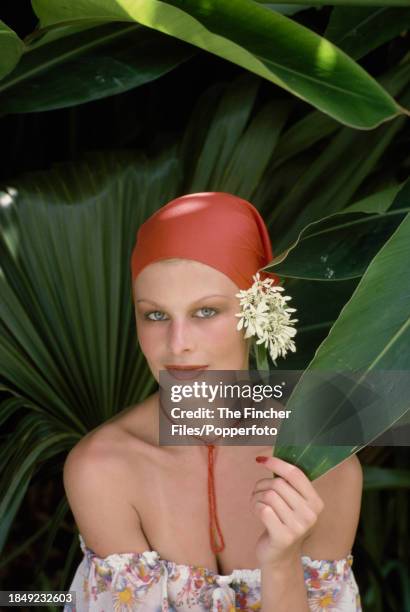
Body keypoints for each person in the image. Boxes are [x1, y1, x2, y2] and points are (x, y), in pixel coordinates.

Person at [63, 192, 363, 611]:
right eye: (155, 315)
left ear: (257, 311)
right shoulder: (102, 468)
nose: (177, 345)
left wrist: (280, 564)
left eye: (206, 312)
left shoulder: (328, 467)